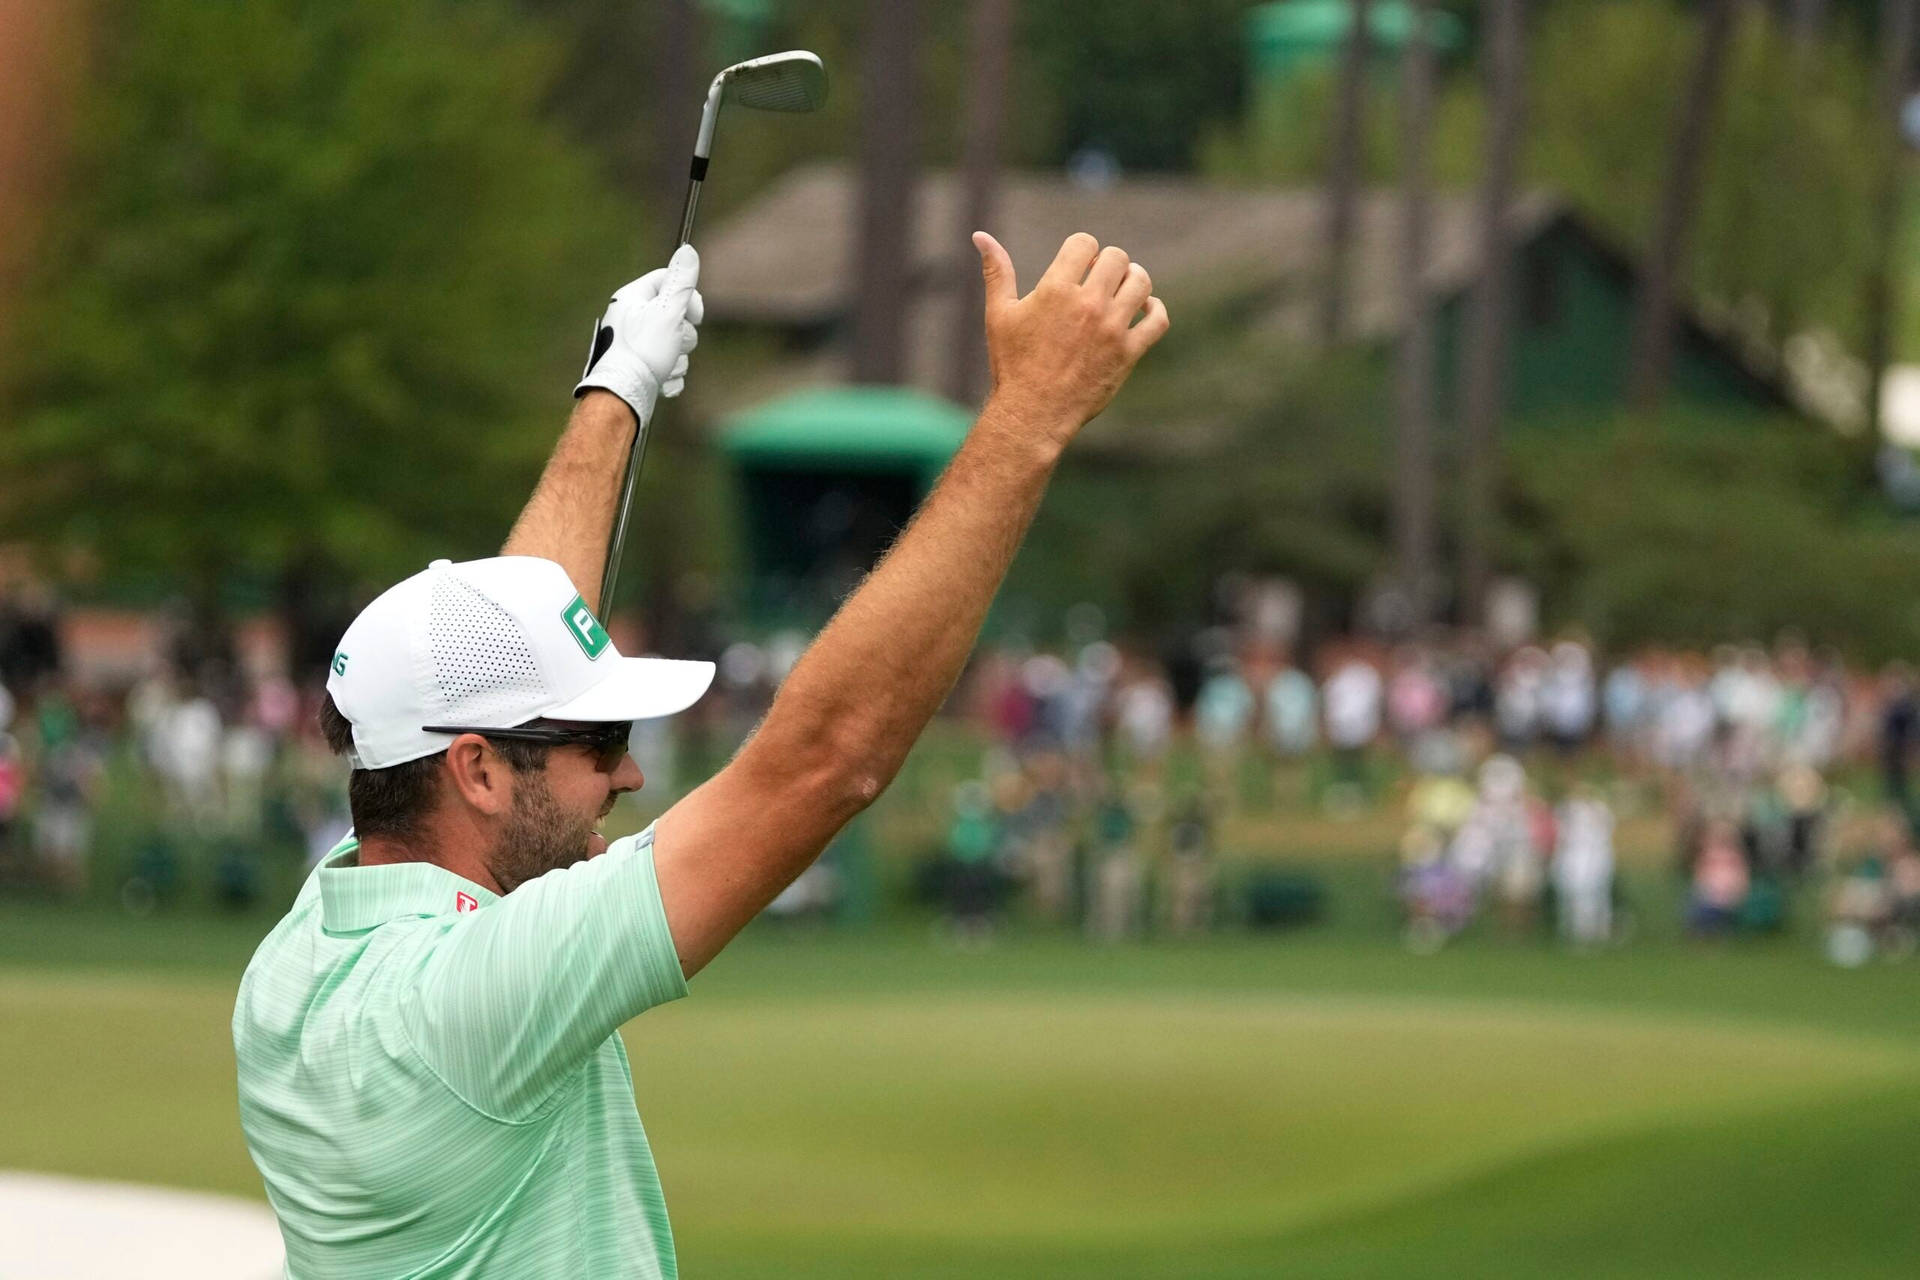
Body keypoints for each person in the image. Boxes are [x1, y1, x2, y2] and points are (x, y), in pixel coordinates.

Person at [233, 230, 1169, 1278]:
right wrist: (1031, 415)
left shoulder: (301, 957)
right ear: (477, 771)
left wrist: (614, 387)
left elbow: (503, 634)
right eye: (601, 744)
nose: (629, 775)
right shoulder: (464, 1004)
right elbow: (828, 760)